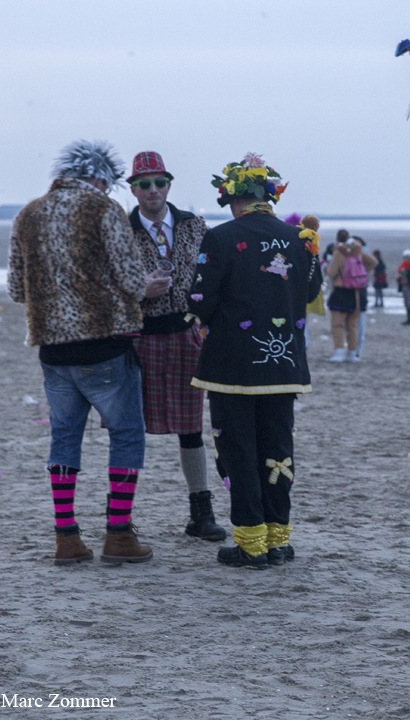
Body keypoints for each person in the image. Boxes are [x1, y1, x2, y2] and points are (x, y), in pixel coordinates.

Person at [7, 140, 152, 566]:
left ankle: (67, 537)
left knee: (64, 438)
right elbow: (130, 278)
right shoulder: (103, 210)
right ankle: (118, 534)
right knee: (126, 435)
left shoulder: (28, 214)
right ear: (102, 179)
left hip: (53, 350)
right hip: (104, 343)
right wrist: (148, 286)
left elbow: (18, 290)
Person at [189, 153, 322, 569]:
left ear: (232, 197)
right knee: (278, 449)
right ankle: (279, 538)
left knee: (237, 450)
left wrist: (202, 319)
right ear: (269, 195)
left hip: (232, 366)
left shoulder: (220, 237)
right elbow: (312, 291)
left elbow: (199, 298)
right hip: (284, 365)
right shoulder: (301, 239)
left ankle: (251, 543)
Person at [126, 151, 225, 542]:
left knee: (191, 427)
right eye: (143, 183)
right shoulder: (119, 229)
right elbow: (104, 287)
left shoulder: (194, 226)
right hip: (138, 335)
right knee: (130, 428)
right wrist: (140, 290)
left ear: (169, 184)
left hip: (187, 333)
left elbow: (214, 277)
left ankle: (201, 513)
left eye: (159, 182)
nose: (152, 190)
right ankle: (120, 520)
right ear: (133, 189)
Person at [326, 235, 376, 362]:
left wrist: (332, 271)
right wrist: (362, 273)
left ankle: (338, 352)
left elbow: (331, 272)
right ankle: (352, 354)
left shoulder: (339, 252)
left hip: (340, 292)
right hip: (356, 293)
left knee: (337, 325)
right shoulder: (357, 250)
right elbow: (373, 262)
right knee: (352, 326)